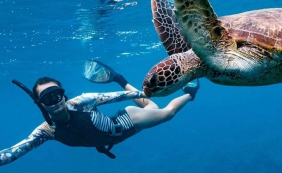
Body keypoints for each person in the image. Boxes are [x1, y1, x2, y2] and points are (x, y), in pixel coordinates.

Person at [0, 60, 199, 166]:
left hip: (126, 121)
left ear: (64, 95)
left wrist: (155, 90)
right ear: (40, 104)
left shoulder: (81, 102)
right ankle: (120, 78)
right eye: (47, 98)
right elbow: (13, 152)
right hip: (111, 134)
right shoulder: (46, 131)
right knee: (151, 108)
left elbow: (118, 97)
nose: (55, 101)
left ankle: (190, 93)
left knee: (166, 113)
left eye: (57, 94)